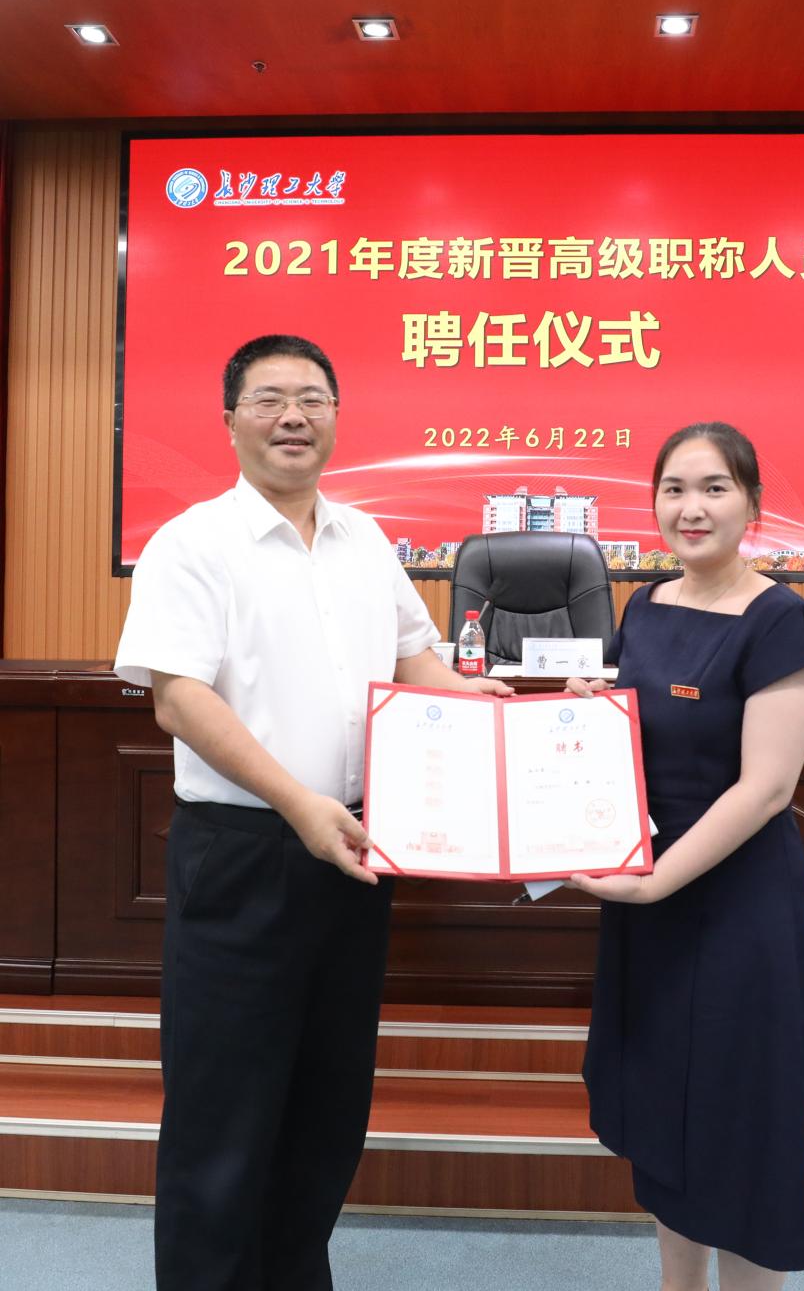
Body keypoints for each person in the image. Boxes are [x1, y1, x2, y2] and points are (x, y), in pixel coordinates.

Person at [114, 333, 511, 1291]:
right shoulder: (191, 544)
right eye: (269, 399)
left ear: (336, 415)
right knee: (223, 1114)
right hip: (245, 852)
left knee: (326, 1107)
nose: (292, 416)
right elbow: (179, 698)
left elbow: (413, 659)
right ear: (231, 420)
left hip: (355, 850)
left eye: (312, 398)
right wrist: (298, 803)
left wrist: (487, 707)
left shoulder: (364, 539)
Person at [567, 421, 804, 1291]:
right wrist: (584, 709)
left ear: (752, 504)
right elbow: (634, 737)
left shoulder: (783, 619)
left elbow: (766, 789)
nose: (692, 507)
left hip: (733, 910)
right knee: (664, 1120)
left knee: (737, 1128)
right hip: (651, 908)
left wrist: (652, 883)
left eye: (715, 487)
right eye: (674, 488)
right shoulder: (643, 605)